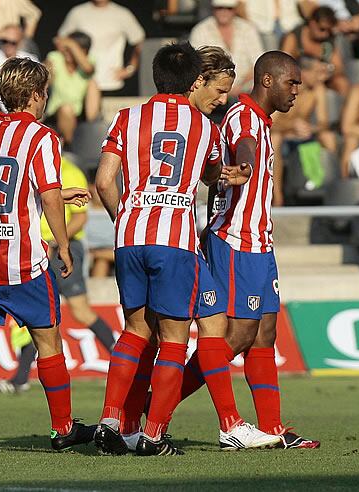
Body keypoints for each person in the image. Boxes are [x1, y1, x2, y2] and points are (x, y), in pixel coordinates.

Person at [92, 42, 276, 457]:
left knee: (138, 331)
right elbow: (213, 173)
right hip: (175, 241)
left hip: (129, 236)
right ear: (195, 80)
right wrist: (223, 173)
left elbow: (104, 182)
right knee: (180, 339)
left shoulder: (126, 117)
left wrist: (126, 219)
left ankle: (113, 420)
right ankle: (154, 434)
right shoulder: (204, 127)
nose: (221, 98)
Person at [0, 56, 96, 452]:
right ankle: (63, 428)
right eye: (45, 93)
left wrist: (58, 194)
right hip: (21, 257)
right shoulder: (42, 137)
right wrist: (62, 242)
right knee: (48, 341)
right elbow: (43, 194)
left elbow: (6, 187)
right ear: (37, 95)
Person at [180, 50, 320, 449]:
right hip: (235, 240)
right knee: (237, 335)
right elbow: (244, 148)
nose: (298, 89)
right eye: (292, 82)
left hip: (260, 241)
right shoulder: (243, 115)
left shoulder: (261, 119)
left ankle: (273, 427)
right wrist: (242, 168)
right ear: (269, 81)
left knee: (264, 334)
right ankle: (161, 406)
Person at [0, 155, 117, 394]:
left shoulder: (70, 172)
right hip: (34, 247)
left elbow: (80, 217)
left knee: (81, 311)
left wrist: (56, 241)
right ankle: (20, 378)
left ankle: (122, 362)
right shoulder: (30, 168)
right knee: (36, 313)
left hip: (65, 247)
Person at [271, 56, 337, 204]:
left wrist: (310, 128)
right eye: (318, 72)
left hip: (305, 136)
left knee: (328, 137)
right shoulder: (283, 88)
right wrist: (291, 126)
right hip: (282, 136)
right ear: (304, 73)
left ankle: (332, 190)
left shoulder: (318, 89)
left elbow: (323, 122)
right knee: (274, 139)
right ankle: (277, 196)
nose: (322, 76)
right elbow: (269, 123)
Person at [58, 0, 145, 96]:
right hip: (82, 82)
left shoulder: (122, 14)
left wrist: (130, 69)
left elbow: (139, 41)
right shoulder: (77, 12)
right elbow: (61, 40)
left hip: (111, 83)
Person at [189, 0, 264, 98]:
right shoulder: (200, 30)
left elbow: (258, 63)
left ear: (235, 10)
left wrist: (239, 87)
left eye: (229, 8)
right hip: (211, 91)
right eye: (220, 8)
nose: (224, 12)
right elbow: (197, 66)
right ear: (213, 9)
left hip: (246, 91)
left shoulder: (248, 29)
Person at [44, 32, 101, 145]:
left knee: (93, 84)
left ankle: (91, 125)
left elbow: (88, 69)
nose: (68, 52)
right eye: (67, 48)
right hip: (55, 114)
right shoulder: (55, 57)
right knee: (66, 108)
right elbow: (45, 76)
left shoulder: (89, 61)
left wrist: (70, 43)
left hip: (79, 115)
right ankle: (70, 146)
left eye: (72, 49)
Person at [281, 6, 350, 95]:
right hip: (299, 77)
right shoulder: (294, 37)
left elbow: (339, 67)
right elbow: (284, 67)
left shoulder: (329, 40)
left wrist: (328, 71)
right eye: (322, 29)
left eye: (329, 31)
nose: (325, 34)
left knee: (342, 83)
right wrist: (303, 74)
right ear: (312, 23)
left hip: (322, 77)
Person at [0, 23, 38, 108]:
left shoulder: (30, 60)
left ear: (20, 42)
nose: (8, 45)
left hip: (19, 108)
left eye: (13, 42)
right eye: (5, 41)